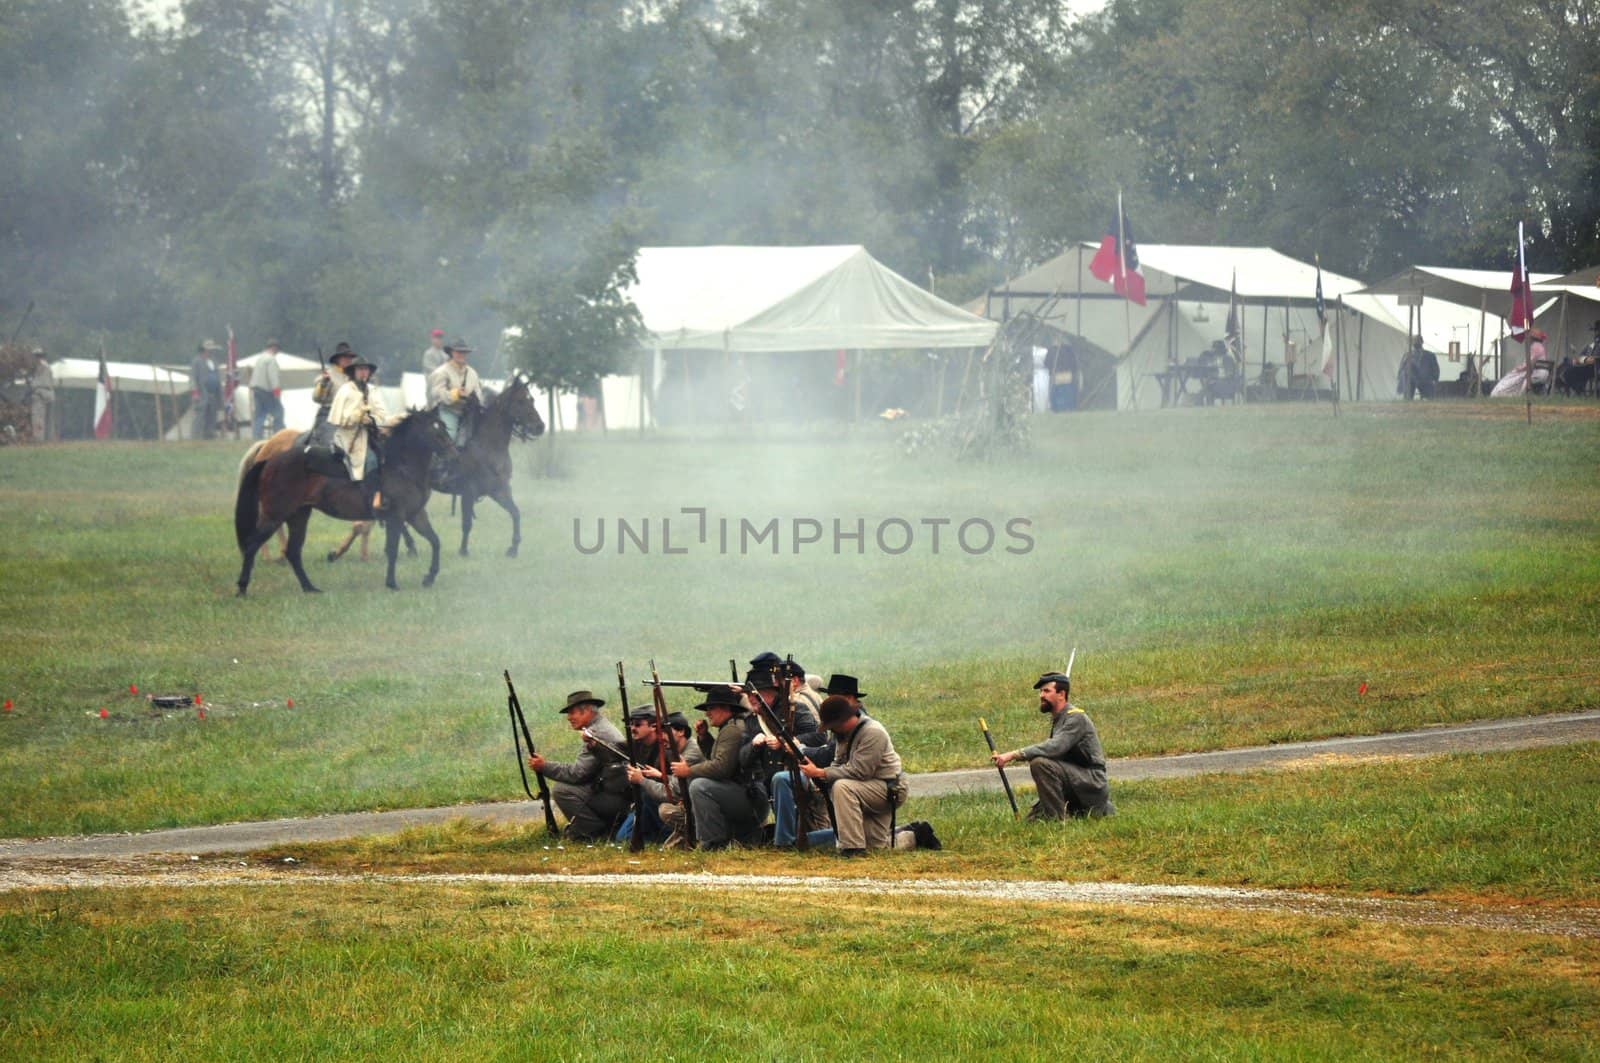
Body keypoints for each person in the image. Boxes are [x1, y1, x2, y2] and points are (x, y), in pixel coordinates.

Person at [798, 695, 939, 854]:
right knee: (875, 846)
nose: (830, 730)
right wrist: (822, 777)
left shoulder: (873, 732)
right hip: (868, 788)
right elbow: (838, 763)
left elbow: (860, 771)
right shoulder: (843, 735)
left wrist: (822, 772)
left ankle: (852, 848)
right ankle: (916, 835)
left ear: (841, 722)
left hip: (889, 788)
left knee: (842, 787)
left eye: (831, 726)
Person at [991, 672, 1115, 819]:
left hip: (1091, 783)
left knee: (1040, 764)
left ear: (1061, 694)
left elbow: (1055, 747)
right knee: (1032, 821)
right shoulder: (1060, 718)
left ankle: (1058, 822)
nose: (1041, 695)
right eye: (1041, 691)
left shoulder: (1076, 717)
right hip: (1076, 781)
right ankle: (1063, 813)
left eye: (1046, 691)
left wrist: (1012, 755)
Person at [527, 690, 630, 842]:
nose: (569, 718)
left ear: (587, 711)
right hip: (615, 793)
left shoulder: (596, 733)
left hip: (616, 798)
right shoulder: (599, 727)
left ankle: (592, 832)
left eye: (572, 712)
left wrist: (544, 766)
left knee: (562, 790)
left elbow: (578, 774)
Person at [672, 686, 766, 850]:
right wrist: (704, 737)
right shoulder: (731, 726)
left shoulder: (732, 729)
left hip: (749, 795)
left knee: (699, 787)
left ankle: (712, 843)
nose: (707, 714)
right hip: (745, 793)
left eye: (711, 709)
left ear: (725, 708)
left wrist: (688, 771)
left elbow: (722, 768)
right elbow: (720, 758)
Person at [622, 709, 704, 847]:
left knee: (665, 809)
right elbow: (678, 783)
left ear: (681, 732)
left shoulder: (690, 754)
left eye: (665, 732)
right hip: (689, 804)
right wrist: (661, 776)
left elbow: (669, 793)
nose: (661, 737)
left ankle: (692, 836)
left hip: (696, 810)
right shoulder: (675, 750)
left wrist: (641, 779)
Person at [327, 352, 393, 511]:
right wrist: (357, 417)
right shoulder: (345, 390)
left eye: (366, 370)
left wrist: (371, 419)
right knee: (370, 460)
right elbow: (339, 419)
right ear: (353, 372)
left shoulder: (373, 390)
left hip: (372, 434)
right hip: (350, 437)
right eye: (360, 369)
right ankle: (372, 498)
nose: (364, 372)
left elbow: (382, 414)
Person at [427, 336, 482, 444]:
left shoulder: (473, 373)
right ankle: (441, 461)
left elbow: (479, 393)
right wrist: (455, 394)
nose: (461, 354)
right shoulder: (442, 372)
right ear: (452, 352)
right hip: (448, 411)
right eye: (458, 352)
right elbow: (436, 393)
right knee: (450, 438)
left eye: (464, 352)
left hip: (468, 414)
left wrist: (473, 399)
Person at [311, 342, 358, 430]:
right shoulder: (327, 375)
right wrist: (324, 384)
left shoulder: (354, 377)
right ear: (337, 359)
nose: (348, 360)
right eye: (345, 357)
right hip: (329, 416)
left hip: (350, 418)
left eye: (350, 357)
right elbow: (316, 398)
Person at [250, 339, 284, 440]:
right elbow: (273, 377)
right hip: (266, 391)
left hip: (256, 389)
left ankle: (256, 437)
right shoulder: (271, 360)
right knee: (279, 412)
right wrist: (277, 392)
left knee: (260, 415)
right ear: (274, 348)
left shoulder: (260, 358)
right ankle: (279, 435)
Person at [190, 340, 224, 439]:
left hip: (213, 394)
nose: (211, 352)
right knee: (200, 417)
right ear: (204, 350)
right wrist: (195, 393)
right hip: (202, 394)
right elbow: (193, 378)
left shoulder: (214, 362)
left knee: (212, 417)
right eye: (209, 350)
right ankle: (196, 437)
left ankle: (209, 436)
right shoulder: (196, 361)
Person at [27, 348, 54, 442]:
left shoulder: (43, 367)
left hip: (40, 395)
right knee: (37, 418)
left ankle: (39, 439)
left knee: (38, 418)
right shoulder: (41, 367)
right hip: (41, 395)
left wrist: (32, 384)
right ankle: (39, 438)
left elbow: (41, 383)